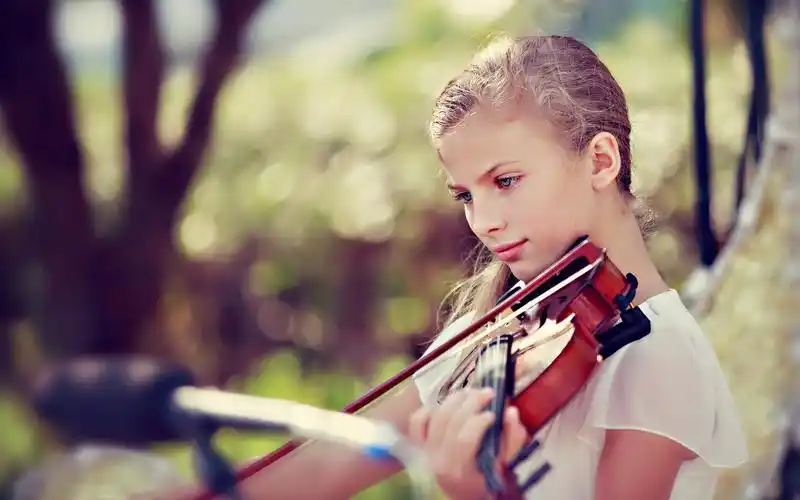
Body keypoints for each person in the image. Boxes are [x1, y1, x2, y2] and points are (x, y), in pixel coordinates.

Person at [168, 34, 748, 500]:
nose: (484, 221)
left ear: (600, 160)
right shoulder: (515, 329)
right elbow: (324, 469)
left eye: (506, 181)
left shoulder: (658, 357)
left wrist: (477, 491)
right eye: (466, 195)